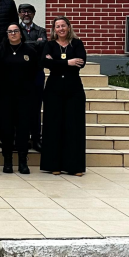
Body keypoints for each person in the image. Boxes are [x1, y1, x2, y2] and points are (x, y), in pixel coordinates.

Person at [40, 17, 87, 176]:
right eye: (57, 26)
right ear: (54, 29)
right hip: (53, 89)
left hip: (74, 89)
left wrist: (56, 62)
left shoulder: (77, 44)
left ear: (68, 27)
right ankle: (54, 165)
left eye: (63, 26)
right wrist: (68, 62)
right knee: (53, 126)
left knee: (74, 127)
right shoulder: (50, 45)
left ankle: (74, 167)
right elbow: (45, 63)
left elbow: (81, 62)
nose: (60, 29)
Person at [0, 24, 39, 175]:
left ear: (21, 33)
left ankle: (22, 161)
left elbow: (35, 71)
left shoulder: (30, 51)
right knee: (6, 129)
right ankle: (7, 161)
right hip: (5, 95)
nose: (13, 34)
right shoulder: (0, 50)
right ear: (7, 34)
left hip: (24, 96)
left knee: (23, 129)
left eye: (16, 31)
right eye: (10, 31)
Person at [19, 3, 48, 152]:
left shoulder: (41, 30)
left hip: (37, 72)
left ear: (34, 14)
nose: (26, 14)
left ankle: (36, 138)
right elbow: (17, 46)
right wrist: (35, 44)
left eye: (29, 11)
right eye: (23, 11)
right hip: (20, 74)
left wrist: (26, 45)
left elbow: (44, 47)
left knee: (36, 107)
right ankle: (22, 139)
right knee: (20, 107)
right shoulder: (15, 30)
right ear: (19, 14)